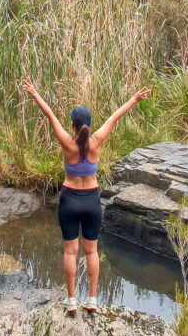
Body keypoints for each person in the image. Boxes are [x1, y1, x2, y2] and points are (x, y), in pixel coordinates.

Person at [20, 78, 150, 313]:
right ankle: (92, 299)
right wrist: (134, 98)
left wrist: (35, 93)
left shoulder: (67, 144)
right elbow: (115, 117)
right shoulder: (96, 141)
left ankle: (71, 300)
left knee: (70, 251)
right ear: (89, 126)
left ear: (72, 125)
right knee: (91, 251)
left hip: (70, 200)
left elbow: (49, 114)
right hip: (91, 201)